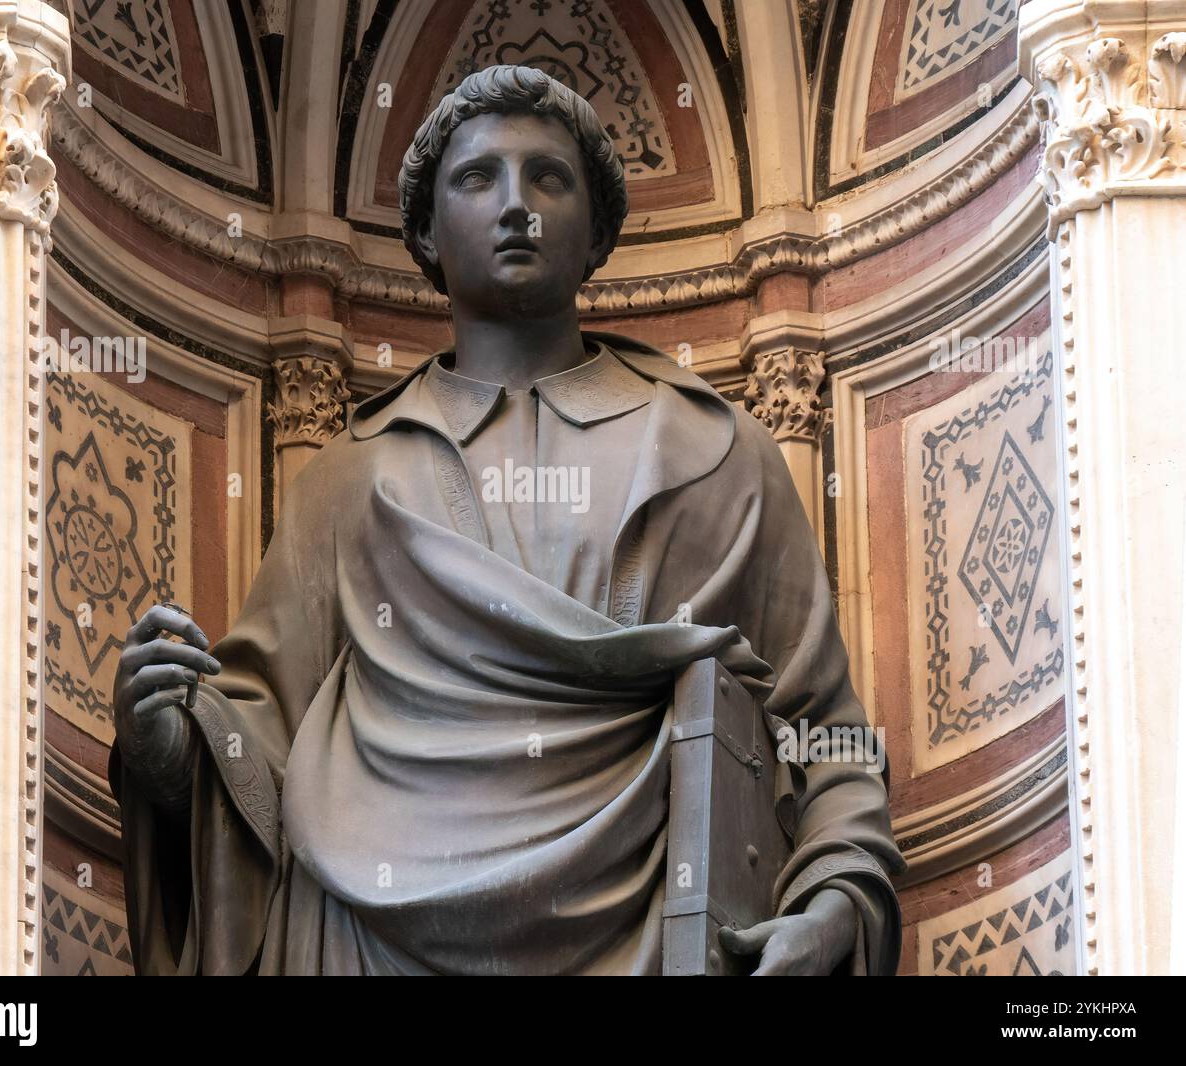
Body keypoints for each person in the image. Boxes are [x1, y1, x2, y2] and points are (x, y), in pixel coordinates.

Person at [110, 64, 906, 975]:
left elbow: (825, 729)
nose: (516, 204)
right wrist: (171, 750)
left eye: (549, 177)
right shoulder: (350, 477)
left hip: (663, 936)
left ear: (599, 227)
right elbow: (261, 741)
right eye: (478, 178)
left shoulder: (714, 453)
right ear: (425, 228)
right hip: (370, 940)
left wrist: (838, 897)